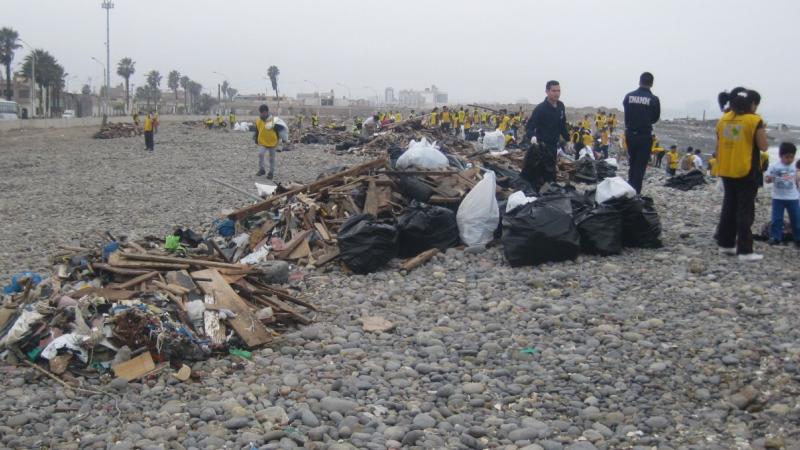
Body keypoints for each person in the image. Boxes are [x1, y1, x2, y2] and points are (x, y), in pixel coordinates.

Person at [715, 88, 768, 261]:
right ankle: (745, 250)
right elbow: (763, 146)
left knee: (729, 207)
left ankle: (726, 244)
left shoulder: (724, 120)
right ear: (751, 104)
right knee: (745, 210)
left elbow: (719, 144)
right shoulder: (754, 120)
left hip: (726, 169)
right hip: (746, 170)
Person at [524, 80, 570, 185]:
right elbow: (529, 127)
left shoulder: (561, 106)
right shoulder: (540, 109)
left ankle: (549, 189)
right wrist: (532, 136)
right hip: (542, 147)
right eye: (554, 91)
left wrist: (568, 139)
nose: (557, 93)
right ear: (547, 91)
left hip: (554, 146)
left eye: (558, 91)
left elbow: (562, 124)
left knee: (551, 173)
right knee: (539, 175)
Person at [622, 72, 661, 194]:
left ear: (639, 81)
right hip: (644, 136)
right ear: (652, 84)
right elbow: (655, 118)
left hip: (630, 135)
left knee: (632, 163)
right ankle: (635, 193)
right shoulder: (654, 100)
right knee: (640, 167)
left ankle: (629, 188)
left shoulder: (629, 96)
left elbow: (627, 113)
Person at [764, 142, 800, 246]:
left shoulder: (795, 166)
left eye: (792, 157)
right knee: (776, 219)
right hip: (778, 198)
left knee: (796, 219)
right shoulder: (774, 166)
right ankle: (775, 237)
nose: (789, 159)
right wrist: (770, 178)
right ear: (780, 156)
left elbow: (797, 178)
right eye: (787, 157)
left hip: (793, 198)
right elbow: (767, 179)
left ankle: (798, 238)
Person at [253, 104, 286, 179]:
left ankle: (271, 172)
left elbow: (280, 130)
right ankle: (262, 169)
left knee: (272, 158)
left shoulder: (273, 120)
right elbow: (257, 130)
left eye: (264, 112)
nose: (263, 114)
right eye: (262, 112)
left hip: (273, 142)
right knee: (261, 154)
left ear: (267, 112)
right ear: (260, 113)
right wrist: (256, 138)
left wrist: (282, 139)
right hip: (263, 141)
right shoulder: (258, 120)